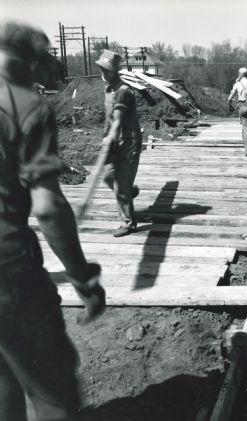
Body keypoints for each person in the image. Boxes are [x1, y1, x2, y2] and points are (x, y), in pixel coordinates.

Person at [0, 20, 106, 421]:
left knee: (5, 380)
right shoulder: (24, 105)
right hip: (7, 269)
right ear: (31, 60)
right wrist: (83, 279)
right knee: (51, 388)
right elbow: (47, 207)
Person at [96, 50, 142, 237]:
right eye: (101, 69)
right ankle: (129, 192)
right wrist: (105, 137)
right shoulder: (108, 89)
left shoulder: (124, 92)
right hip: (113, 141)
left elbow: (117, 119)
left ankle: (129, 223)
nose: (103, 73)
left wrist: (112, 135)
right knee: (107, 176)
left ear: (116, 71)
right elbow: (109, 119)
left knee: (120, 183)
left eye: (107, 70)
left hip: (128, 142)